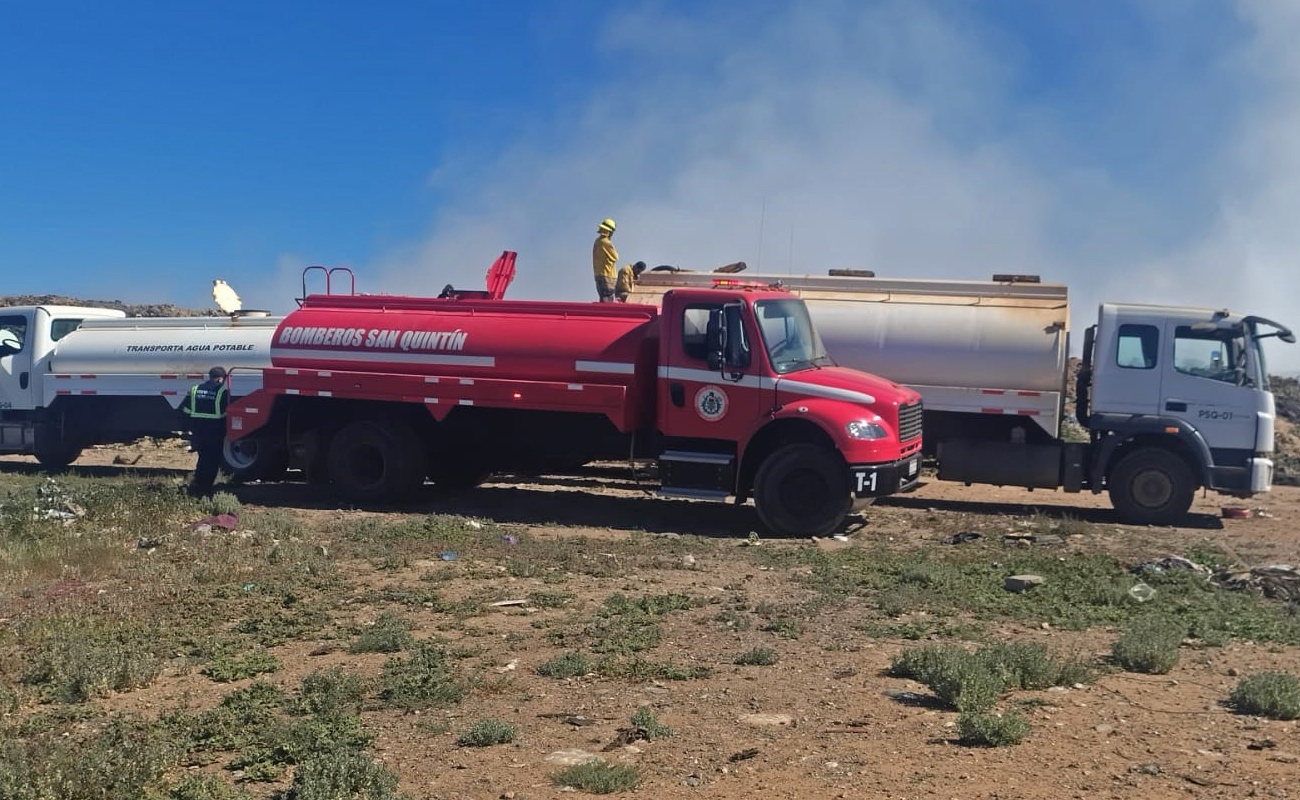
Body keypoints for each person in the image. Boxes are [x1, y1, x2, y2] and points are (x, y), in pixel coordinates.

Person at [180, 366, 230, 498]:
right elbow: (226, 413)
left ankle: (197, 485)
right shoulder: (222, 392)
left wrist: (190, 427)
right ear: (220, 379)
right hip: (215, 432)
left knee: (202, 459)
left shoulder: (195, 389)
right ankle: (206, 489)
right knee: (212, 462)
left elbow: (185, 410)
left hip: (198, 432)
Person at [592, 217, 618, 302]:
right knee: (608, 296)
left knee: (602, 296)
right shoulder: (606, 243)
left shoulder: (597, 241)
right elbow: (615, 257)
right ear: (610, 232)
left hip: (598, 274)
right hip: (608, 275)